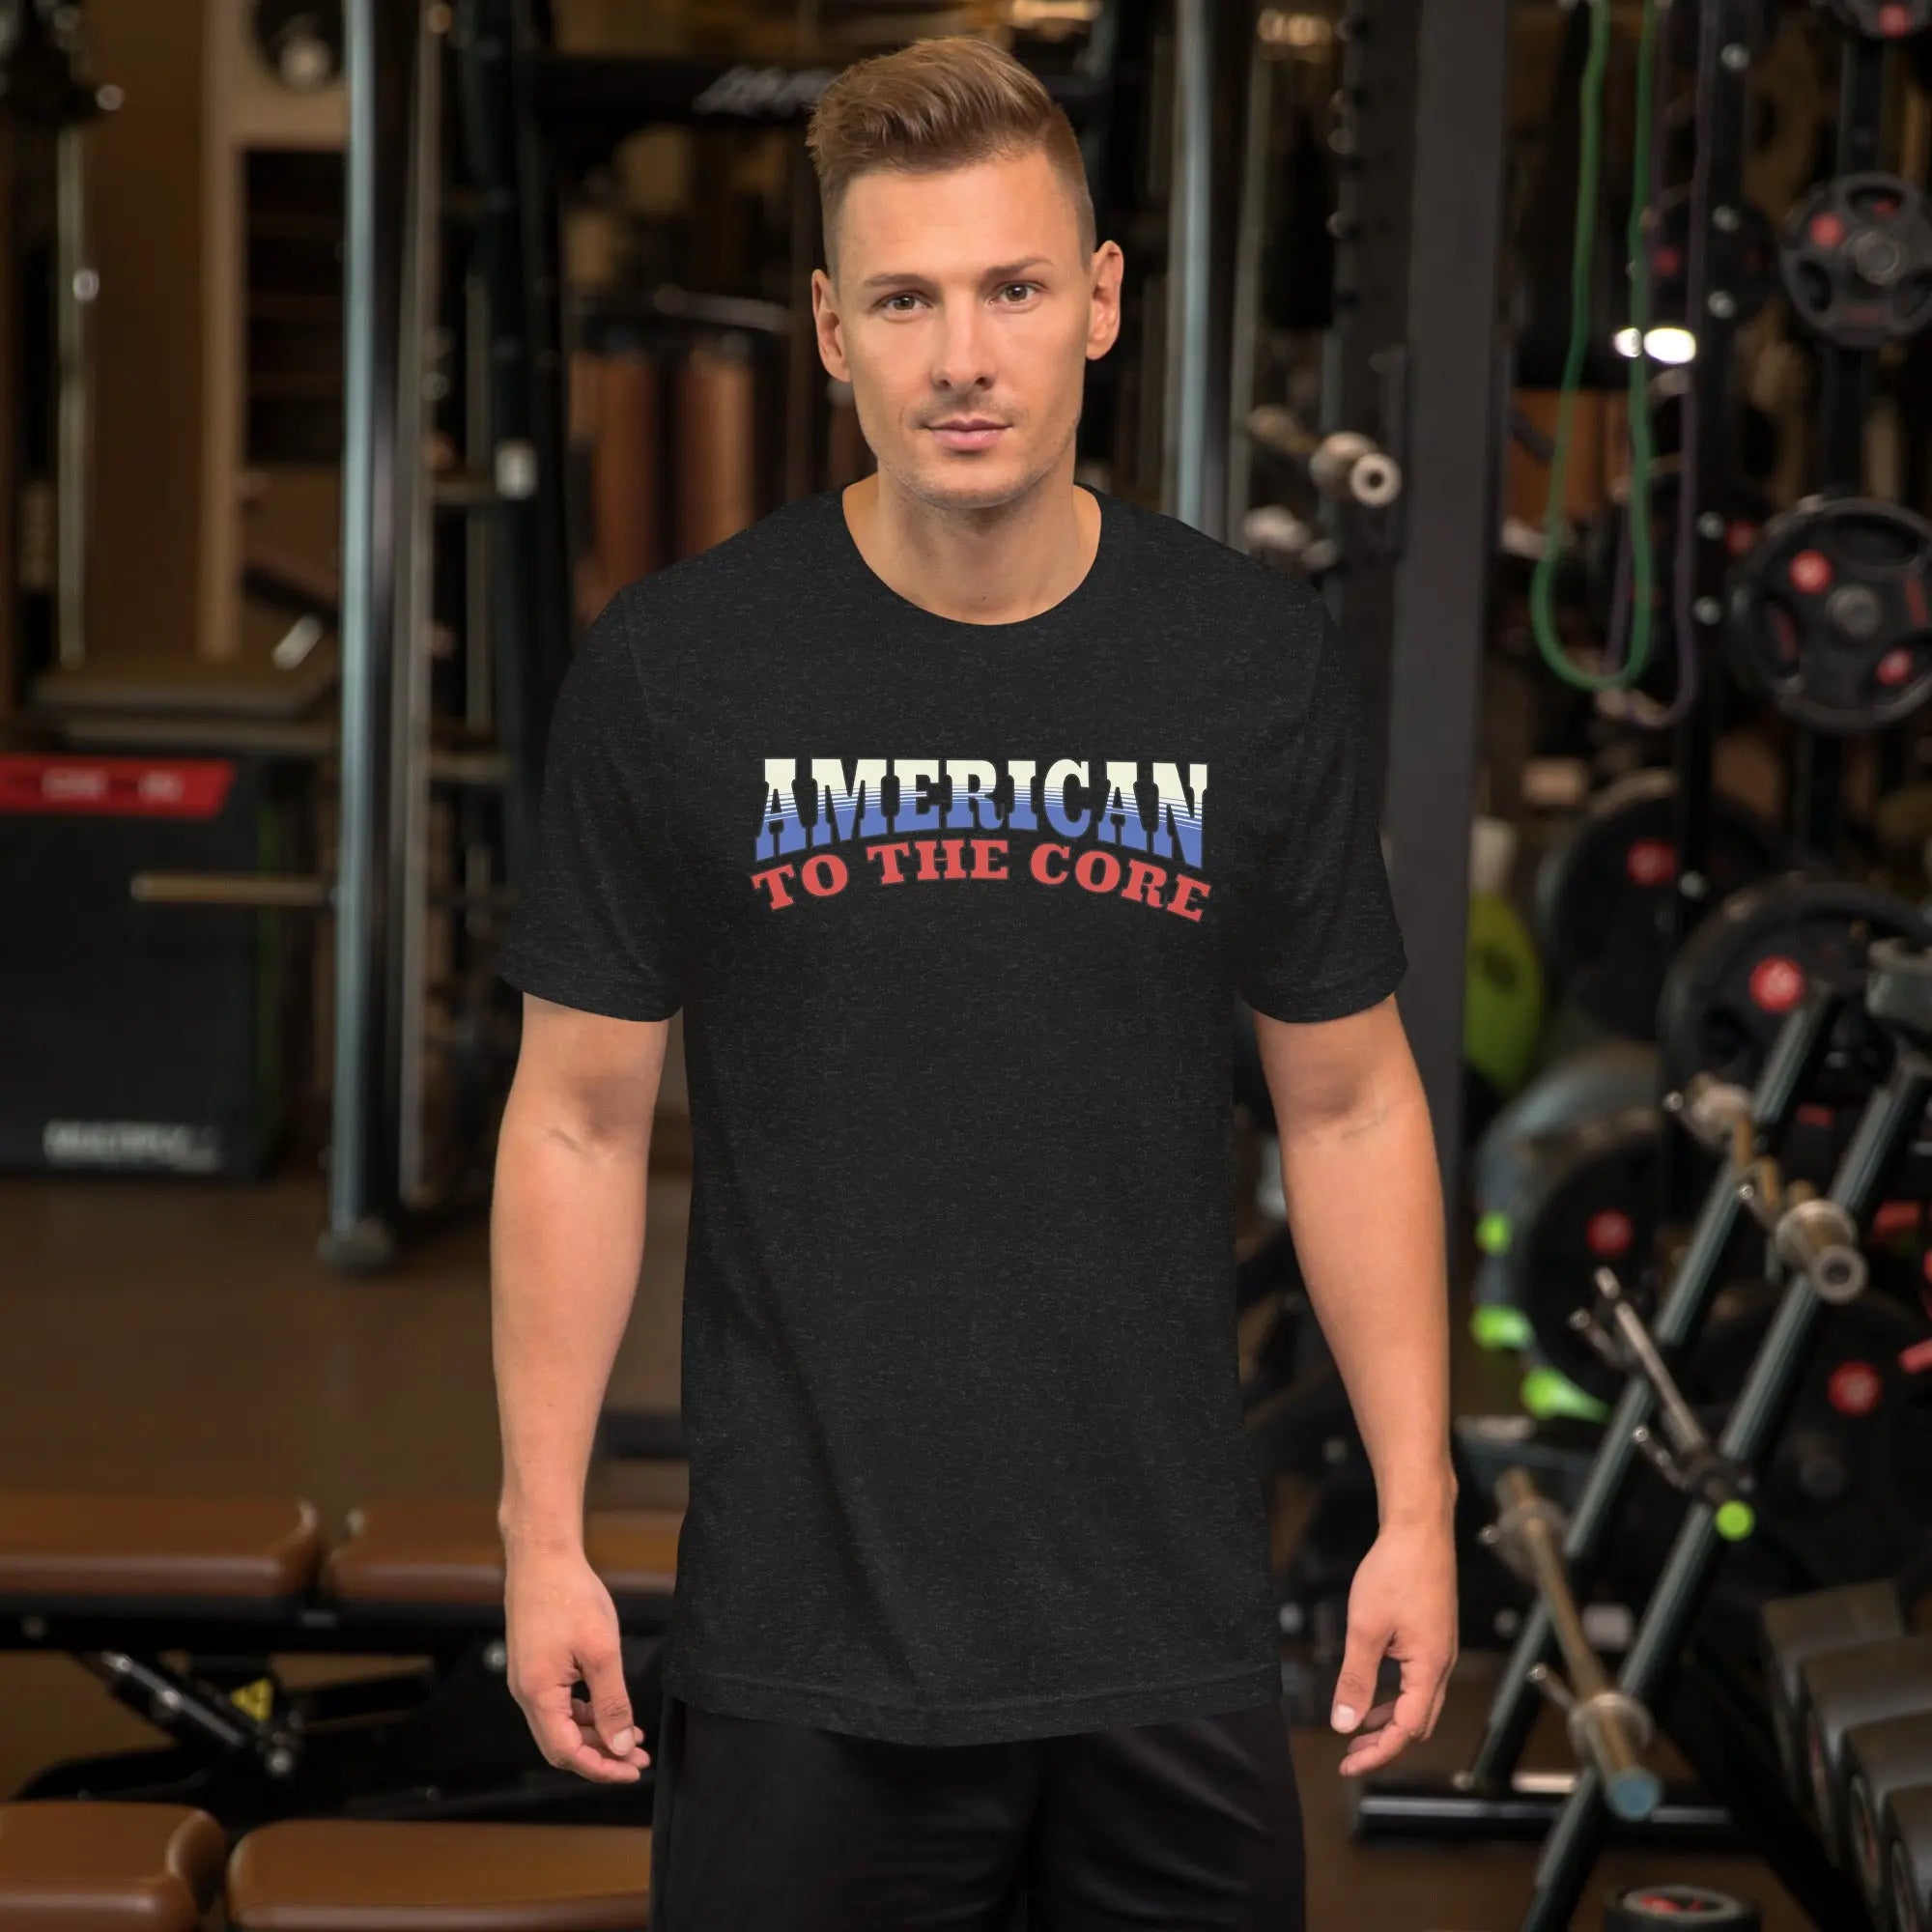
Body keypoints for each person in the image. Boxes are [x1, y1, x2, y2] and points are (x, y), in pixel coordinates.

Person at [490, 32, 1455, 1932]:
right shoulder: (682, 671)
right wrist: (541, 1533)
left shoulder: (1246, 665)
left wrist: (1415, 1511)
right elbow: (577, 1123)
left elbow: (1351, 1103)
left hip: (1165, 1632)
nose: (962, 358)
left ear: (1099, 303)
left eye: (1013, 289)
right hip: (805, 1642)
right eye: (906, 300)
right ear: (829, 330)